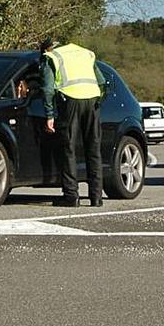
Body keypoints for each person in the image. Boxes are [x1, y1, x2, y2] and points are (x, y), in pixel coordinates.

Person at [40, 39, 107, 207]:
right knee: (93, 148)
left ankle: (71, 196)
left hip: (70, 101)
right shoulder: (85, 53)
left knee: (69, 148)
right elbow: (101, 81)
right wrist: (98, 101)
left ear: (46, 49)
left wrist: (49, 115)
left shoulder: (51, 57)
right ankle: (96, 197)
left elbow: (47, 89)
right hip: (92, 100)